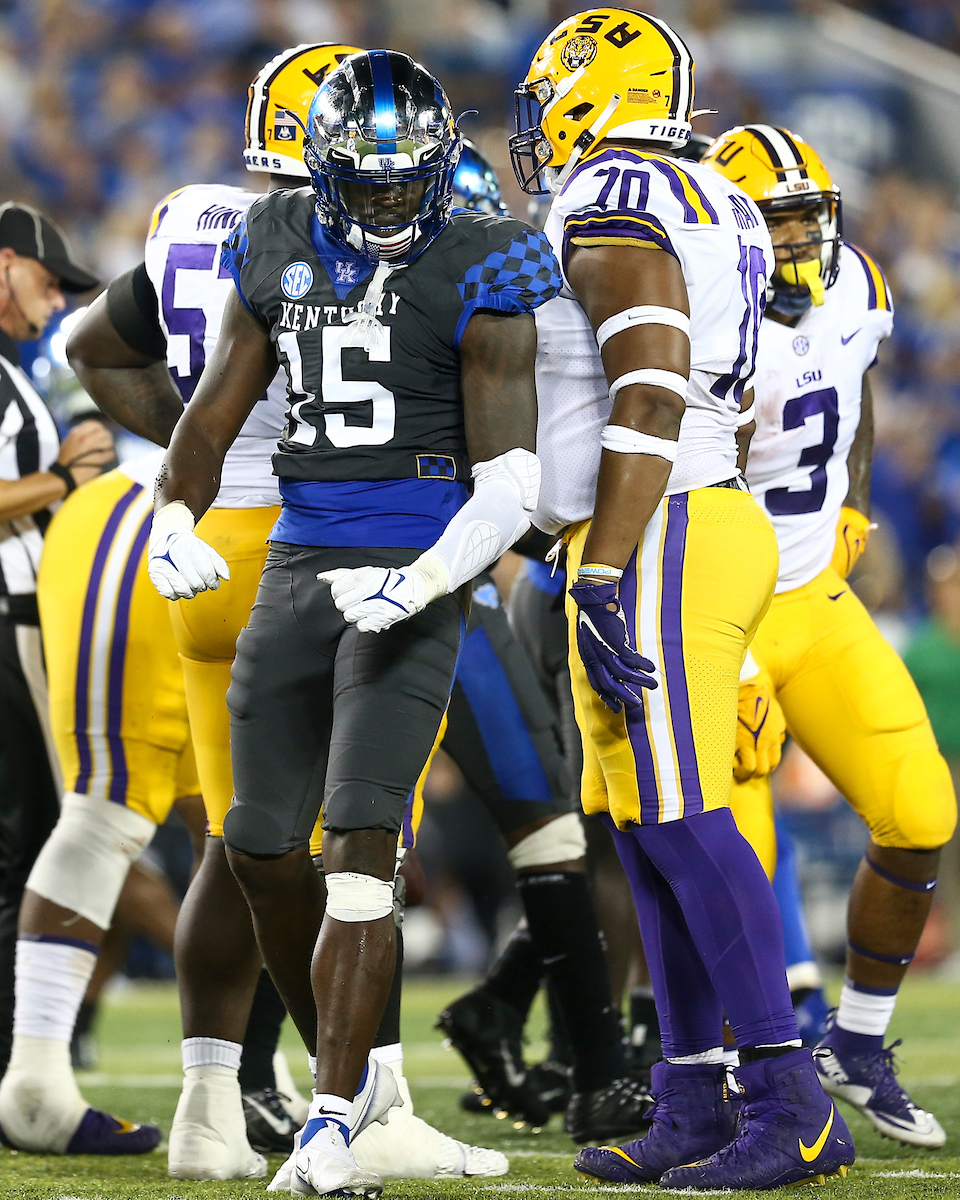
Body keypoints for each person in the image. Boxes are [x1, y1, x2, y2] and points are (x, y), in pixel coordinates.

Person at [67, 43, 508, 1184]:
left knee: (246, 840)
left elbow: (94, 345)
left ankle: (213, 1103)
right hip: (316, 534)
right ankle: (367, 1101)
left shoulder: (198, 218)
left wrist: (168, 474)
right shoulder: (385, 242)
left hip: (205, 542)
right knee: (360, 846)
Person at [509, 10, 854, 1190]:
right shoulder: (706, 187)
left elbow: (651, 389)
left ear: (587, 91)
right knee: (649, 829)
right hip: (678, 517)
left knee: (688, 819)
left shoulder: (614, 185)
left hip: (656, 525)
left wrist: (600, 561)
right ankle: (693, 1097)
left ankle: (790, 1097)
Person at [704, 123, 956, 1149]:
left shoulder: (856, 285)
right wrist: (727, 638)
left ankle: (854, 1044)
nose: (800, 241)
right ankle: (724, 1081)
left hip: (817, 597)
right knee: (733, 866)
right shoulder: (699, 314)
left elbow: (847, 410)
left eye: (809, 219)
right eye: (775, 223)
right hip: (724, 611)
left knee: (920, 811)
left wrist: (848, 508)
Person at [435, 140, 653, 1143]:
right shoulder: (505, 288)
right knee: (599, 824)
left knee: (600, 823)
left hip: (535, 565)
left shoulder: (513, 283)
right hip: (539, 571)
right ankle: (582, 1049)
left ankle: (528, 1017)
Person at [0, 203, 117, 1102]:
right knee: (27, 838)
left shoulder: (21, 369)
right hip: (7, 619)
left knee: (37, 833)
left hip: (26, 616)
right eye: (49, 277)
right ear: (7, 265)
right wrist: (62, 480)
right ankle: (19, 1069)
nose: (59, 297)